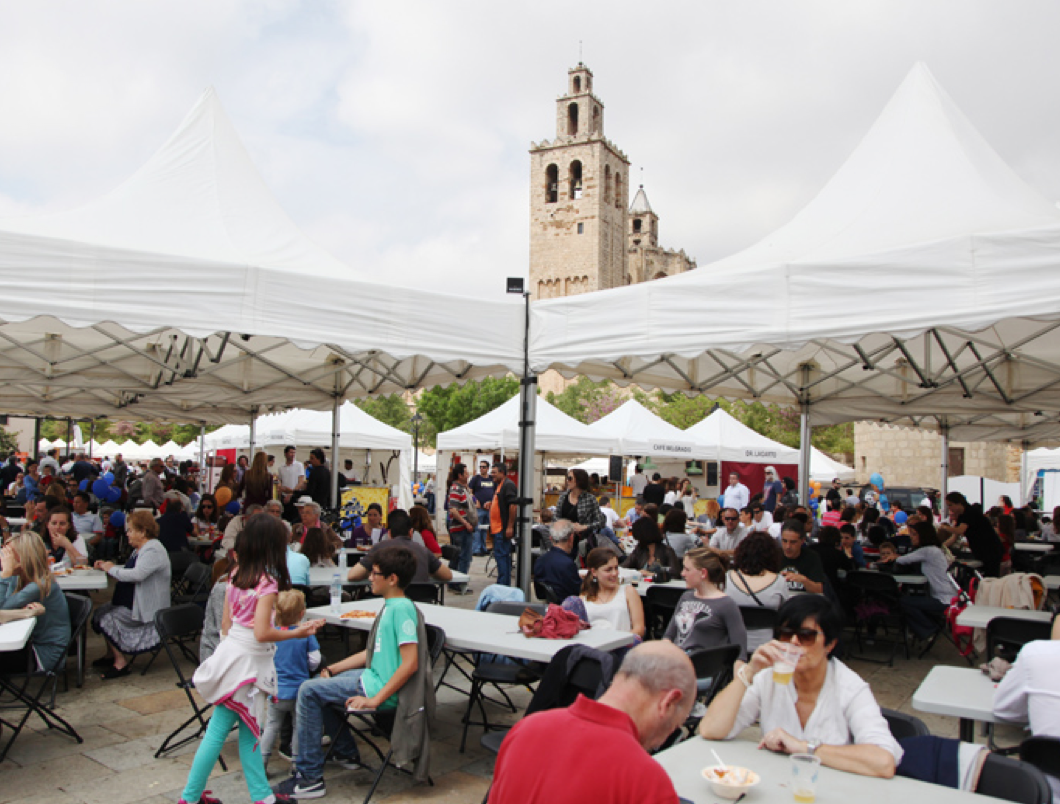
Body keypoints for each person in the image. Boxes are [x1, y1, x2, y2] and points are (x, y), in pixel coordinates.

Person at [178, 515, 324, 804]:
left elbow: (226, 624)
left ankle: (262, 797)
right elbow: (262, 632)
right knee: (218, 731)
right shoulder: (267, 584)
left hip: (235, 656)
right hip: (248, 665)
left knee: (248, 731)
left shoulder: (235, 574)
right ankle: (190, 797)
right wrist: (297, 633)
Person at [274, 543, 426, 799]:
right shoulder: (391, 605)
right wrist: (333, 668)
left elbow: (410, 663)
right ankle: (344, 751)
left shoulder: (401, 610)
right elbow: (373, 653)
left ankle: (309, 778)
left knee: (308, 690)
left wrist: (375, 700)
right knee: (318, 683)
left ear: (392, 579)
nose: (369, 577)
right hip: (371, 679)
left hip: (378, 689)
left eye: (374, 573)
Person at [700, 594, 902, 778]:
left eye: (806, 636)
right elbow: (711, 729)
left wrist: (804, 748)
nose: (794, 643)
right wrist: (749, 673)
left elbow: (883, 762)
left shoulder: (850, 688)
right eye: (786, 634)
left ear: (830, 644)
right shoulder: (769, 678)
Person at [489, 641, 696, 804]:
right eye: (676, 724)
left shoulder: (524, 730)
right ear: (669, 702)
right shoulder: (646, 781)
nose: (668, 734)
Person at [92, 510, 172, 678]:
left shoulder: (153, 550)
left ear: (142, 532)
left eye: (130, 530)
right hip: (133, 602)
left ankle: (121, 663)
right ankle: (111, 654)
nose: (127, 534)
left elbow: (137, 575)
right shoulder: (140, 549)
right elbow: (132, 570)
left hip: (148, 610)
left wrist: (111, 569)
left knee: (108, 619)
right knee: (100, 612)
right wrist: (109, 566)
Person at [260, 590, 322, 771]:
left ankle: (262, 761)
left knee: (271, 725)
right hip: (298, 690)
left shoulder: (273, 635)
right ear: (302, 613)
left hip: (277, 691)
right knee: (297, 726)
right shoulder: (306, 635)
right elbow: (315, 660)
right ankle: (296, 762)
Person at [0, 532, 72, 675]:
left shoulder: (40, 584)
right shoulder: (20, 578)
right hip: (29, 645)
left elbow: (2, 608)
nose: (4, 559)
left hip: (45, 655)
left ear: (23, 558)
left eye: (9, 554)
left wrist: (6, 573)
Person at [877, 520, 954, 643]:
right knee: (908, 601)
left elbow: (902, 560)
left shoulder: (928, 550)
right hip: (946, 597)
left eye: (913, 534)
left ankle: (928, 629)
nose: (911, 537)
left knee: (903, 602)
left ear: (922, 535)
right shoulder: (934, 550)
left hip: (943, 600)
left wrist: (891, 558)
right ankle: (925, 630)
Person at [666, 547, 746, 657]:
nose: (682, 573)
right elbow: (668, 636)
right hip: (677, 661)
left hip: (704, 667)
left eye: (687, 569)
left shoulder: (726, 604)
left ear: (703, 573)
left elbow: (740, 652)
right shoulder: (686, 597)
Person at [348, 509, 452, 586]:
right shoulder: (422, 550)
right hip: (420, 602)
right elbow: (447, 575)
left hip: (388, 604)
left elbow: (352, 575)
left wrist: (371, 573)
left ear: (389, 533)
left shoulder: (380, 548)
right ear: (411, 532)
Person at [726, 533, 792, 650]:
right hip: (766, 650)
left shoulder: (726, 578)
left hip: (731, 649)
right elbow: (785, 616)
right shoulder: (779, 582)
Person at [580, 547, 645, 638]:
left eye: (616, 568)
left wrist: (619, 642)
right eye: (608, 570)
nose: (614, 573)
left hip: (622, 645)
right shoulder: (583, 598)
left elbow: (639, 628)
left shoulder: (628, 592)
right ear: (594, 572)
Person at [940, 492, 1004, 577]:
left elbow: (960, 531)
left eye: (950, 505)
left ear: (959, 503)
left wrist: (945, 527)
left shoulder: (970, 512)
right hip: (981, 550)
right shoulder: (961, 516)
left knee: (990, 577)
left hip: (990, 549)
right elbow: (954, 537)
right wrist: (941, 547)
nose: (949, 508)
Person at [532, 519, 582, 601]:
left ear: (550, 538)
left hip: (550, 601)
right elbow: (577, 590)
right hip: (567, 605)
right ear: (571, 538)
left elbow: (540, 593)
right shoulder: (567, 564)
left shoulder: (540, 560)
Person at [488, 462, 519, 586]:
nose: (492, 475)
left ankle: (503, 585)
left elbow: (513, 505)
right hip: (497, 529)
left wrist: (510, 526)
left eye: (494, 472)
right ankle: (503, 583)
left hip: (502, 528)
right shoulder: (500, 485)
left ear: (502, 472)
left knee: (502, 557)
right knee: (501, 557)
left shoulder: (508, 485)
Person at [446, 462, 477, 585]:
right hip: (461, 529)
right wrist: (466, 523)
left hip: (464, 528)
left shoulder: (463, 488)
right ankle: (459, 584)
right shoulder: (456, 489)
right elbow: (453, 509)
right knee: (464, 557)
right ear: (460, 475)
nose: (468, 474)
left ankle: (452, 581)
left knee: (457, 555)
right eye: (466, 472)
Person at [779, 519, 826, 594]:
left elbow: (819, 589)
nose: (788, 546)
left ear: (802, 541)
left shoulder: (811, 557)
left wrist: (803, 580)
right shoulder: (774, 555)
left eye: (793, 542)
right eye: (784, 541)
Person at [467, 459, 495, 557]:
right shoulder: (476, 478)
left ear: (488, 468)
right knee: (478, 528)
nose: (481, 469)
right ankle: (476, 548)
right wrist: (475, 500)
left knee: (485, 529)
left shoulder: (491, 479)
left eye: (483, 467)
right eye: (480, 467)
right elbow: (470, 490)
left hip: (490, 508)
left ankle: (483, 547)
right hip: (479, 508)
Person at [277, 445, 306, 521]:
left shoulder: (299, 465)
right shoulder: (281, 467)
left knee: (294, 517)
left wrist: (292, 493)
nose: (293, 454)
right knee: (284, 517)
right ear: (286, 454)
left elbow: (301, 481)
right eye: (291, 452)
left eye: (294, 453)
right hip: (284, 495)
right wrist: (280, 490)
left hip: (294, 495)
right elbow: (280, 480)